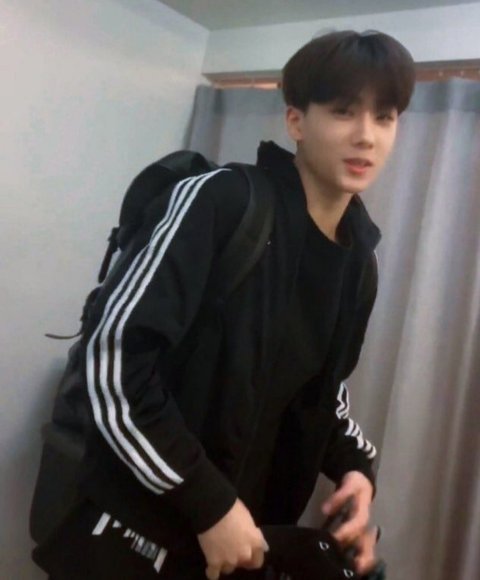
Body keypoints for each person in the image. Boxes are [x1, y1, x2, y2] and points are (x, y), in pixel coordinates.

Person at [32, 29, 416, 580]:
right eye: (342, 111)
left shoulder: (360, 261)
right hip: (134, 539)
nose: (366, 136)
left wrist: (355, 468)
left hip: (239, 553)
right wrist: (208, 502)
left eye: (384, 117)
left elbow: (321, 391)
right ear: (296, 121)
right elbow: (112, 362)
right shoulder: (221, 201)